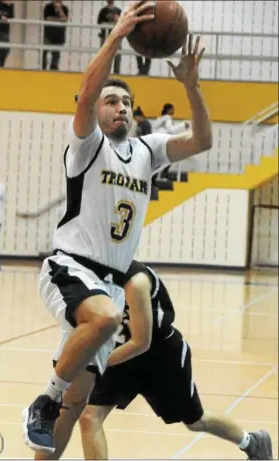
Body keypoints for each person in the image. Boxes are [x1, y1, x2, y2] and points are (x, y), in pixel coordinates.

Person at [22, 1, 212, 455]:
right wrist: (115, 37)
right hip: (68, 267)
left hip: (106, 282)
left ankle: (51, 412)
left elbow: (202, 140)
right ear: (97, 110)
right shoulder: (87, 145)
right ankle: (42, 401)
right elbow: (85, 93)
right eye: (112, 101)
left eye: (126, 101)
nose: (121, 107)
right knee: (107, 321)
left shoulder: (147, 151)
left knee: (78, 403)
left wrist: (192, 86)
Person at [35, 261, 274, 461]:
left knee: (195, 421)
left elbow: (141, 342)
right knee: (89, 417)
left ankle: (251, 442)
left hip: (159, 356)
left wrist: (94, 361)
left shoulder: (136, 281)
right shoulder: (85, 279)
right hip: (118, 355)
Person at [43, 0, 69, 71]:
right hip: (48, 35)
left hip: (59, 36)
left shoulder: (65, 8)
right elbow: (48, 19)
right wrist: (59, 20)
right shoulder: (48, 7)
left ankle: (54, 72)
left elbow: (65, 20)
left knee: (56, 57)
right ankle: (43, 70)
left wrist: (60, 9)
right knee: (44, 55)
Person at [97, 0, 122, 74]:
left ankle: (117, 72)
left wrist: (118, 20)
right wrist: (109, 23)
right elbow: (99, 23)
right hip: (105, 37)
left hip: (116, 37)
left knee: (117, 55)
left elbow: (122, 22)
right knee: (103, 56)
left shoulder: (118, 10)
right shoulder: (103, 11)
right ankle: (102, 72)